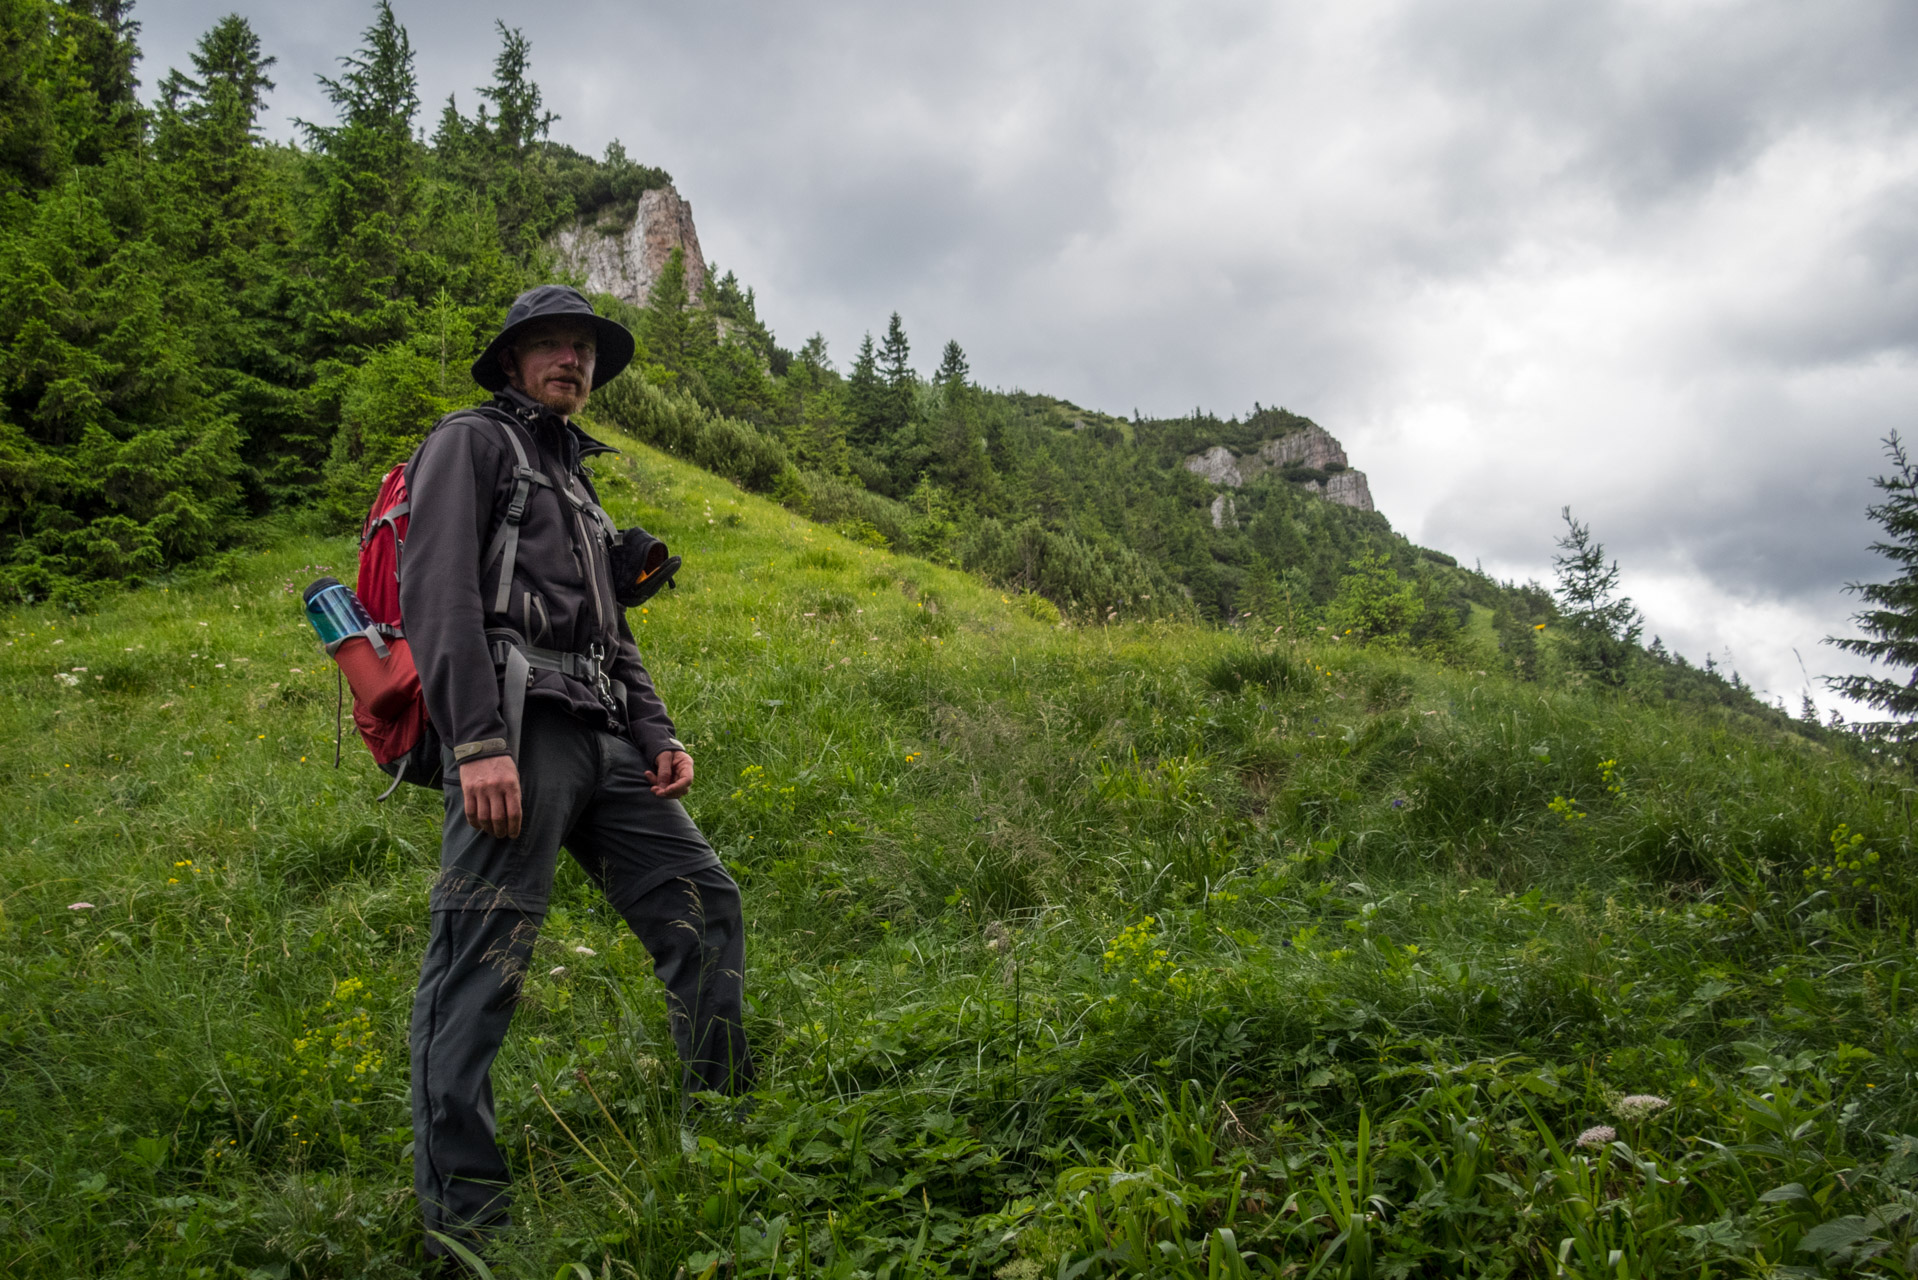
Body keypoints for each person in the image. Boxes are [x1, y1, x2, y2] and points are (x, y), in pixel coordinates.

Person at [401, 284, 752, 1259]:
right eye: (550, 345)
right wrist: (475, 739)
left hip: (604, 738)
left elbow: (614, 630)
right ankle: (465, 1229)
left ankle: (726, 1130)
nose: (572, 360)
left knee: (704, 902)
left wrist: (657, 733)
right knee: (481, 968)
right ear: (513, 361)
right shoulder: (470, 444)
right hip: (518, 730)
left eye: (585, 348)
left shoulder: (581, 484)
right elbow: (436, 596)